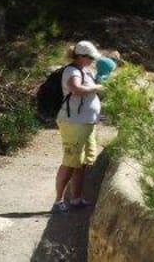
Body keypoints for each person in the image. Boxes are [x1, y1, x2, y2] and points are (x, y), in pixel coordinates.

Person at [53, 40, 103, 213]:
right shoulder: (72, 71)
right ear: (81, 56)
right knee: (70, 161)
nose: (92, 61)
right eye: (90, 58)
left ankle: (76, 199)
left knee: (80, 163)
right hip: (74, 123)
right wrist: (98, 87)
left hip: (86, 122)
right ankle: (58, 200)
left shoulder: (85, 71)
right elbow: (76, 89)